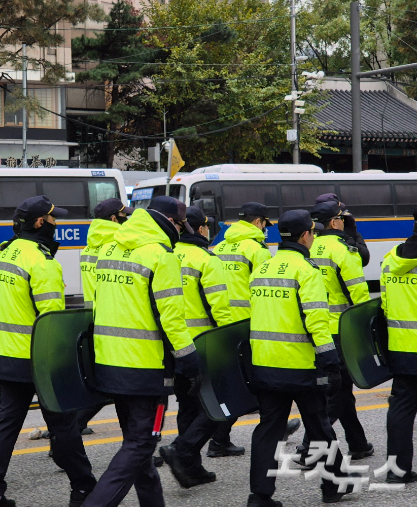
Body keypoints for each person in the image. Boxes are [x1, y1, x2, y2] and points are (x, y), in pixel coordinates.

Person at [82, 196, 199, 507]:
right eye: (178, 224)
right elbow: (171, 317)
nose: (179, 230)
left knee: (138, 444)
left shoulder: (108, 249)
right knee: (140, 443)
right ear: (167, 222)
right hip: (145, 366)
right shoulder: (162, 256)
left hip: (108, 360)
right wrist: (189, 357)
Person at [0, 196, 96, 507]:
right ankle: (84, 486)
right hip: (38, 359)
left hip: (7, 355)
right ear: (40, 223)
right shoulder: (42, 263)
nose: (56, 224)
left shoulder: (6, 254)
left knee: (6, 424)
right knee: (63, 425)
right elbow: (51, 321)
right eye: (53, 219)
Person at [247, 210, 349, 507]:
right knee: (318, 425)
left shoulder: (263, 268)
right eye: (313, 233)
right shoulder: (307, 270)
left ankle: (260, 496)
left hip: (264, 364)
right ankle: (333, 485)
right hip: (301, 366)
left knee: (268, 428)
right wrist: (330, 361)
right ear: (306, 235)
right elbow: (317, 320)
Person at [160, 206, 240, 489]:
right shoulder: (206, 259)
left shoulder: (167, 255)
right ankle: (183, 450)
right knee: (220, 402)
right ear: (200, 229)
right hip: (203, 345)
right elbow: (220, 308)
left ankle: (190, 466)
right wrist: (229, 344)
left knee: (187, 404)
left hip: (173, 343)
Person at [214, 202, 301, 442]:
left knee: (234, 381)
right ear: (257, 222)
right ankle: (273, 427)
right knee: (256, 381)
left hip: (221, 325)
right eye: (264, 225)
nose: (265, 230)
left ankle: (221, 438)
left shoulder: (219, 246)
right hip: (248, 324)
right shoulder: (257, 250)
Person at [296, 201, 373, 460]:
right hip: (339, 331)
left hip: (313, 329)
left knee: (340, 389)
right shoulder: (342, 249)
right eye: (342, 218)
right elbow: (359, 294)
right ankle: (310, 445)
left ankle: (358, 443)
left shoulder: (306, 246)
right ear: (334, 222)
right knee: (337, 393)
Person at [77, 198, 133, 434]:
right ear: (113, 219)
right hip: (114, 319)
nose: (127, 220)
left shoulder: (89, 246)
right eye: (124, 216)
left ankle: (71, 428)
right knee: (118, 385)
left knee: (103, 381)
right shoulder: (117, 246)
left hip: (93, 318)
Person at [381, 202, 417, 484]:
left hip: (403, 349)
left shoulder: (389, 258)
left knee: (401, 410)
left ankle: (397, 472)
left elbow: (384, 306)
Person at [315, 193, 370, 267]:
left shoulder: (307, 235)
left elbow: (364, 258)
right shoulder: (311, 237)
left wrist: (352, 235)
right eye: (339, 215)